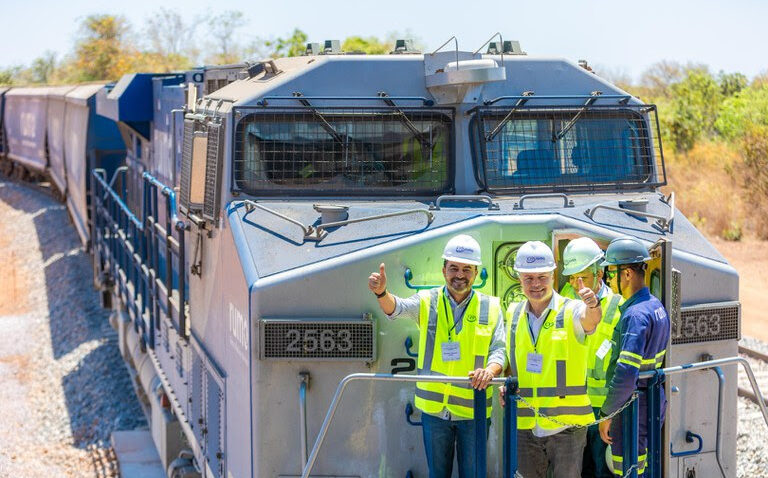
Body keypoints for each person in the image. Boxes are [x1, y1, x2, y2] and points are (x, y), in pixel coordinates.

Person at [368, 234, 506, 478]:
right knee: (437, 474)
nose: (459, 275)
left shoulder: (492, 307)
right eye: (453, 268)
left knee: (473, 475)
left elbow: (499, 349)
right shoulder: (427, 301)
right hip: (435, 412)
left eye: (466, 269)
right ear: (444, 270)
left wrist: (491, 371)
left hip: (473, 411)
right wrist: (382, 294)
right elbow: (396, 308)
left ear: (475, 273)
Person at [502, 241, 603, 478]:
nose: (536, 284)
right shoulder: (513, 313)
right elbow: (512, 361)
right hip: (526, 426)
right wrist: (506, 383)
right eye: (529, 278)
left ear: (552, 275)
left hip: (566, 428)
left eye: (542, 277)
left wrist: (593, 304)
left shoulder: (572, 309)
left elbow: (591, 320)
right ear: (519, 278)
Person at [597, 237, 670, 477]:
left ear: (627, 274)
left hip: (632, 409)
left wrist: (607, 413)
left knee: (628, 469)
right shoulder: (656, 306)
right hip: (651, 401)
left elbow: (627, 372)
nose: (608, 279)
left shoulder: (635, 315)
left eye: (610, 272)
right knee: (644, 467)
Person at [560, 238, 624, 478]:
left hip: (600, 407)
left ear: (600, 273)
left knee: (600, 469)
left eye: (583, 277)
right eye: (572, 278)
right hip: (569, 403)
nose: (578, 285)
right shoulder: (564, 298)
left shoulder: (618, 307)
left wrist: (611, 412)